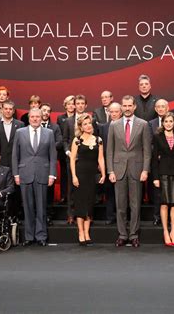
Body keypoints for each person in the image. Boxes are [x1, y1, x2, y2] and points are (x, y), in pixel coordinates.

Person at [107, 95, 151, 248]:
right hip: (118, 170)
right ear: (121, 107)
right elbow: (110, 151)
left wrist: (145, 169)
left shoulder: (143, 124)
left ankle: (133, 235)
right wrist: (110, 171)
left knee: (135, 205)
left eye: (129, 106)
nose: (126, 108)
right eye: (124, 106)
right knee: (120, 205)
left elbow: (147, 150)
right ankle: (122, 235)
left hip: (137, 170)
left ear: (134, 107)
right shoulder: (114, 125)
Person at [12, 108, 57, 246]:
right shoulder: (20, 132)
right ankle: (29, 236)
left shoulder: (49, 133)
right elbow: (15, 155)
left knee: (41, 207)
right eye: (33, 117)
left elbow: (52, 156)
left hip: (43, 174)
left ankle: (41, 236)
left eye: (38, 116)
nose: (35, 119)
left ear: (42, 117)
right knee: (27, 207)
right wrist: (16, 174)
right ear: (29, 118)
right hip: (25, 174)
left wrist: (52, 174)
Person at [151, 112, 174, 246]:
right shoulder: (157, 136)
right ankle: (165, 232)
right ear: (162, 123)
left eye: (171, 121)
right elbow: (154, 159)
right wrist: (155, 177)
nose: (168, 124)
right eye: (166, 121)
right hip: (162, 173)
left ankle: (173, 232)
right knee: (164, 203)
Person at [70, 114, 105, 246]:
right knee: (80, 204)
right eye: (85, 124)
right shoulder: (77, 140)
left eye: (89, 123)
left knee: (90, 204)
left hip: (92, 176)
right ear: (80, 126)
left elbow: (100, 158)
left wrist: (103, 173)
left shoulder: (98, 140)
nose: (88, 126)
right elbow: (72, 159)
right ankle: (81, 232)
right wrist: (74, 176)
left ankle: (87, 232)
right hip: (80, 174)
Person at [62, 94, 97, 224]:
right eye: (78, 103)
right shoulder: (68, 121)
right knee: (72, 188)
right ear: (74, 105)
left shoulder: (91, 120)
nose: (80, 105)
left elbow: (95, 137)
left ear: (86, 105)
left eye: (83, 103)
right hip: (72, 160)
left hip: (87, 161)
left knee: (88, 189)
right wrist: (68, 152)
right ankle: (72, 214)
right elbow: (64, 139)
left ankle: (87, 214)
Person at [0, 100, 25, 219]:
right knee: (1, 189)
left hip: (16, 163)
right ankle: (2, 217)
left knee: (15, 191)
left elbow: (22, 145)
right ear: (1, 110)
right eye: (5, 109)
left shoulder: (20, 124)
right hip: (0, 163)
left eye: (10, 109)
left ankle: (15, 216)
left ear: (13, 111)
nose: (8, 111)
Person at [98, 102, 122, 225]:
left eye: (116, 112)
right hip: (108, 165)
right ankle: (110, 217)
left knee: (122, 193)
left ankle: (122, 218)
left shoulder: (125, 126)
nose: (113, 114)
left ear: (120, 112)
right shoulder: (103, 128)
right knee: (109, 192)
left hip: (123, 164)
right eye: (111, 112)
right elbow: (101, 148)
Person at [40, 103, 64, 225]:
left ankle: (48, 215)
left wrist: (47, 148)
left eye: (48, 111)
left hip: (49, 162)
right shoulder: (33, 126)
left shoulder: (55, 127)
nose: (45, 113)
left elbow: (59, 142)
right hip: (36, 163)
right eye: (43, 110)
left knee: (49, 190)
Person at [148, 99, 170, 225]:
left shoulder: (173, 121)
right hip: (157, 161)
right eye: (159, 107)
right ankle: (157, 216)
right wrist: (158, 154)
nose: (161, 109)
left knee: (170, 191)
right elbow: (149, 142)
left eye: (163, 106)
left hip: (171, 162)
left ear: (167, 108)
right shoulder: (151, 124)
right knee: (157, 191)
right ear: (155, 109)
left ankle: (168, 218)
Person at [56, 95, 75, 205]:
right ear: (65, 105)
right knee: (64, 175)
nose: (71, 106)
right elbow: (60, 135)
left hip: (76, 149)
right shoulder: (60, 118)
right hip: (64, 150)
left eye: (73, 103)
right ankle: (64, 196)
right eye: (69, 104)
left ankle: (73, 197)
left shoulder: (79, 117)